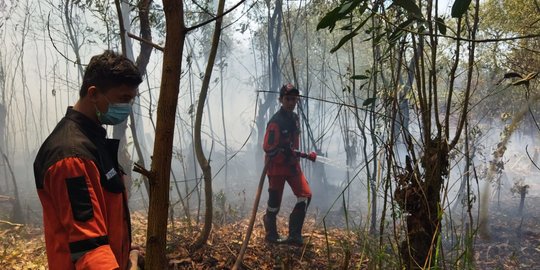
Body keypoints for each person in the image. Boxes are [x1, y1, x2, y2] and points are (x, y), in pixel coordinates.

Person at [33, 50, 142, 269]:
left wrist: (125, 249)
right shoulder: (71, 157)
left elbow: (104, 215)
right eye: (123, 99)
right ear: (93, 94)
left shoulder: (93, 141)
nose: (127, 108)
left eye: (131, 100)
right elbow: (89, 248)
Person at [262, 83, 312, 246]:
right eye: (288, 99)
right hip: (276, 167)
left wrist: (296, 154)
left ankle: (294, 235)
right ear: (281, 100)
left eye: (294, 99)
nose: (291, 102)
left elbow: (295, 143)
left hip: (292, 166)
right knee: (274, 203)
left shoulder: (296, 119)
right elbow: (268, 148)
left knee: (305, 195)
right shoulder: (275, 122)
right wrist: (283, 152)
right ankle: (271, 233)